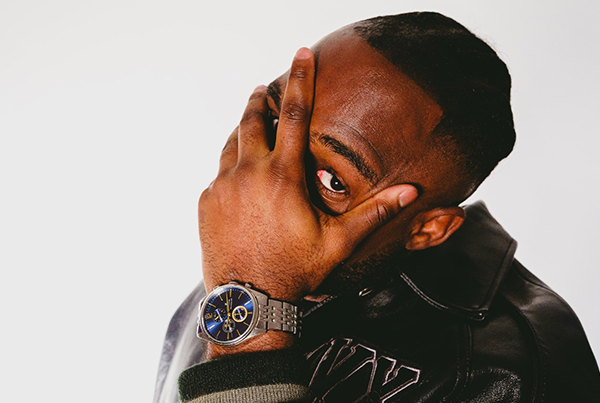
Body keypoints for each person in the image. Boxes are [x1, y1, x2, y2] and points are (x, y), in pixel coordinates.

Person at [153, 12, 600, 403]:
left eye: (333, 180)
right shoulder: (252, 245)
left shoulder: (516, 375)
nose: (271, 187)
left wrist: (251, 330)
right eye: (276, 121)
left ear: (427, 229)